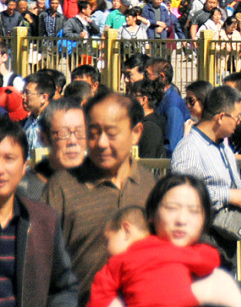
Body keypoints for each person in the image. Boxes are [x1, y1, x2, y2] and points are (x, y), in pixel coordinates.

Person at [42, 92, 158, 305]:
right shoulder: (62, 188)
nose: (101, 143)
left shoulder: (151, 188)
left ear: (135, 133)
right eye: (94, 133)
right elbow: (41, 263)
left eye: (112, 133)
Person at [89, 176, 241, 307]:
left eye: (194, 211)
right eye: (171, 208)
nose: (181, 220)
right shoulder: (126, 261)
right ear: (152, 213)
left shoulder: (218, 284)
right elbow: (208, 258)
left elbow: (99, 292)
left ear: (205, 220)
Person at [170, 85, 241, 263]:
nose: (238, 122)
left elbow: (237, 182)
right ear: (221, 117)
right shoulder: (189, 149)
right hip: (202, 243)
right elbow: (185, 196)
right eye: (236, 117)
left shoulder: (223, 147)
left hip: (224, 241)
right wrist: (226, 196)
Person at [0, 116, 78, 305]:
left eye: (9, 158)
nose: (0, 169)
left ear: (24, 167)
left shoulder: (43, 220)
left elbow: (63, 287)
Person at [146, 59, 189, 155]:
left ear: (162, 76)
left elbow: (172, 146)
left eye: (148, 75)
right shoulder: (161, 98)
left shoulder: (172, 105)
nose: (145, 80)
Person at [128, 78, 167, 159]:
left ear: (143, 99)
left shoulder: (150, 127)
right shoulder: (147, 122)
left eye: (132, 96)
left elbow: (148, 162)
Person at [22, 70, 54, 157]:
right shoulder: (28, 121)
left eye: (27, 93)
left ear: (43, 97)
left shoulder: (54, 122)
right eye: (23, 92)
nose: (23, 97)